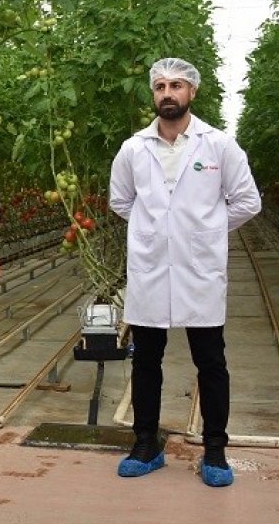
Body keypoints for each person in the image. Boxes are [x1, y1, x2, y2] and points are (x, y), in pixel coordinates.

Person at [108, 57, 261, 488]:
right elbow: (121, 202)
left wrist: (204, 232)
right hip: (151, 268)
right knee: (147, 360)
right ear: (152, 94)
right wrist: (161, 233)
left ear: (192, 92)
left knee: (210, 360)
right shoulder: (133, 148)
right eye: (159, 86)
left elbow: (248, 201)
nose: (167, 93)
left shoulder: (218, 146)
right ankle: (145, 444)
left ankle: (215, 449)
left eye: (176, 85)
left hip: (199, 270)